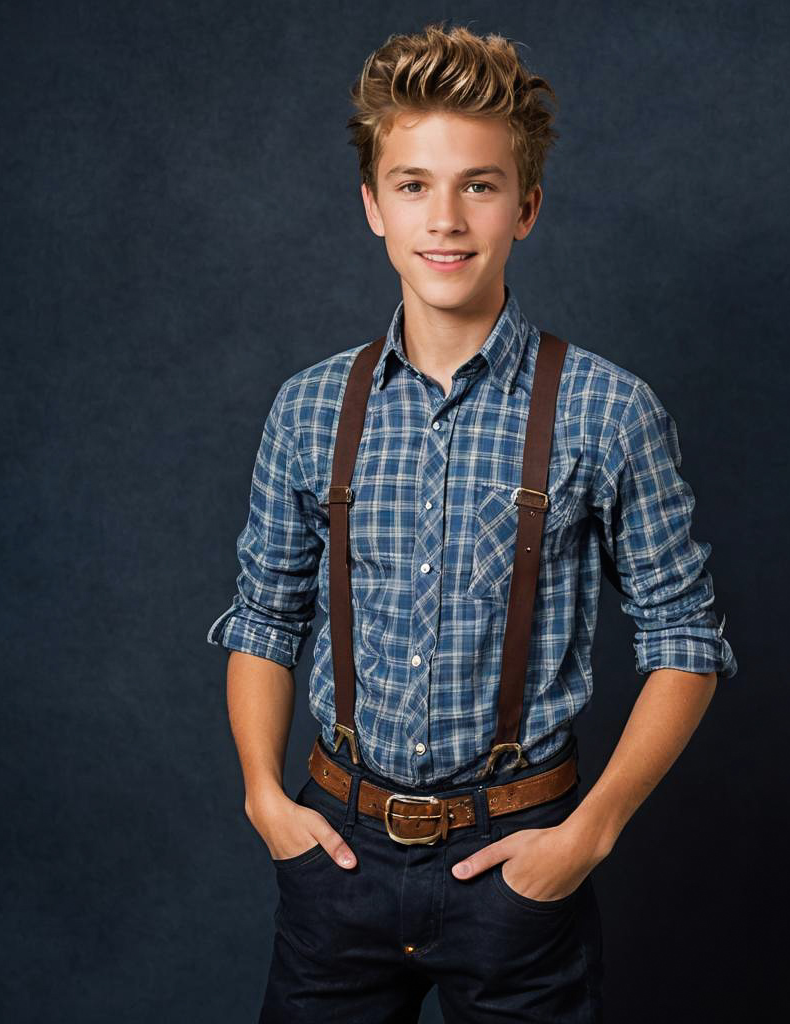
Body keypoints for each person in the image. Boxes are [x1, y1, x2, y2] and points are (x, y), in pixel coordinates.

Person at [207, 20, 738, 1024]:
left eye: (478, 185)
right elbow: (263, 619)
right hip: (337, 856)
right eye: (413, 184)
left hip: (518, 862)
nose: (443, 218)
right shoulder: (309, 406)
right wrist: (264, 802)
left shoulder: (607, 409)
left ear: (525, 206)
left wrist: (587, 836)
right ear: (371, 205)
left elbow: (685, 642)